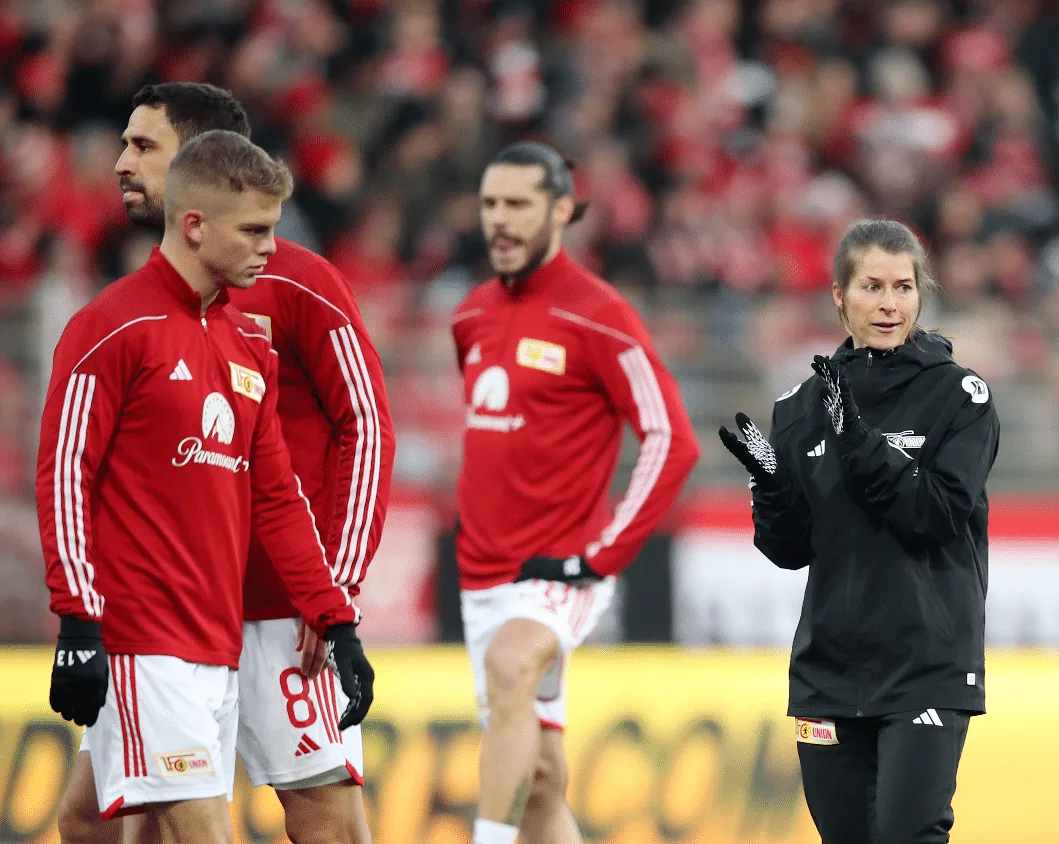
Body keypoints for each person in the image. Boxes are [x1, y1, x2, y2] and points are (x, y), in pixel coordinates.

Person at [57, 84, 393, 844]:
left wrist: (332, 591)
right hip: (169, 606)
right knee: (98, 820)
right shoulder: (139, 306)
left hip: (280, 610)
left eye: (145, 146)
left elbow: (365, 428)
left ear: (207, 162)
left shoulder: (297, 281)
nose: (122, 164)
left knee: (325, 817)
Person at [719, 219, 1000, 844]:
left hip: (925, 664)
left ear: (921, 295)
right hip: (828, 673)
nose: (889, 303)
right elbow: (790, 550)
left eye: (903, 287)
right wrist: (769, 482)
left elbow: (935, 514)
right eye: (872, 286)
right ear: (839, 296)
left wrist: (859, 441)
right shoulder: (798, 408)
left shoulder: (961, 397)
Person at [451, 141, 700, 844]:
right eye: (490, 204)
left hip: (560, 568)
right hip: (482, 574)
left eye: (518, 205)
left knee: (510, 662)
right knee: (543, 780)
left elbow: (672, 439)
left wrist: (600, 555)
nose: (500, 221)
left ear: (561, 210)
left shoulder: (599, 313)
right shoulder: (469, 317)